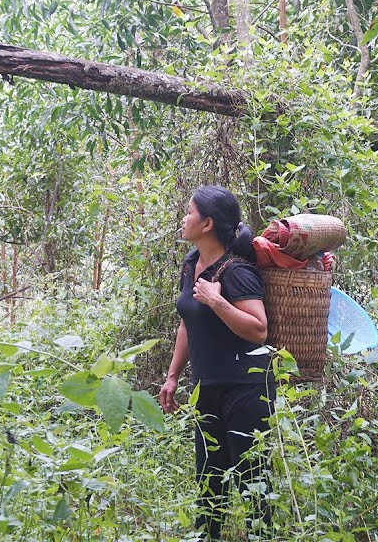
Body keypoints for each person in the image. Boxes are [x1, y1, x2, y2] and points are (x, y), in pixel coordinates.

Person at [159, 185, 273, 540]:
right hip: (206, 386)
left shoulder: (236, 272)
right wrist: (173, 375)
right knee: (208, 479)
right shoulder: (192, 263)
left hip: (247, 388)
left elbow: (259, 330)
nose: (183, 218)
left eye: (189, 212)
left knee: (251, 480)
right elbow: (187, 321)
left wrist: (217, 301)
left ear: (207, 223)